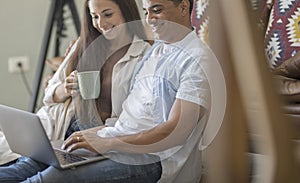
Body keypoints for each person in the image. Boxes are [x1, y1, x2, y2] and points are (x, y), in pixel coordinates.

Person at [0, 0, 219, 182]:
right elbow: (134, 117)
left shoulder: (198, 59)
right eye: (146, 11)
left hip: (152, 159)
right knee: (33, 163)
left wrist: (110, 141)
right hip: (117, 141)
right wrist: (96, 134)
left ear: (183, 7)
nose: (149, 19)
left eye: (157, 10)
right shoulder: (158, 51)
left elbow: (176, 131)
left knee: (54, 176)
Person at [0, 0, 150, 167]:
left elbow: (135, 118)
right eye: (94, 16)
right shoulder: (84, 43)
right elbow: (50, 95)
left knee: (22, 168)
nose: (101, 23)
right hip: (60, 123)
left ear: (126, 11)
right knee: (12, 159)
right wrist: (66, 88)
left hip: (95, 133)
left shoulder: (143, 54)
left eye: (108, 14)